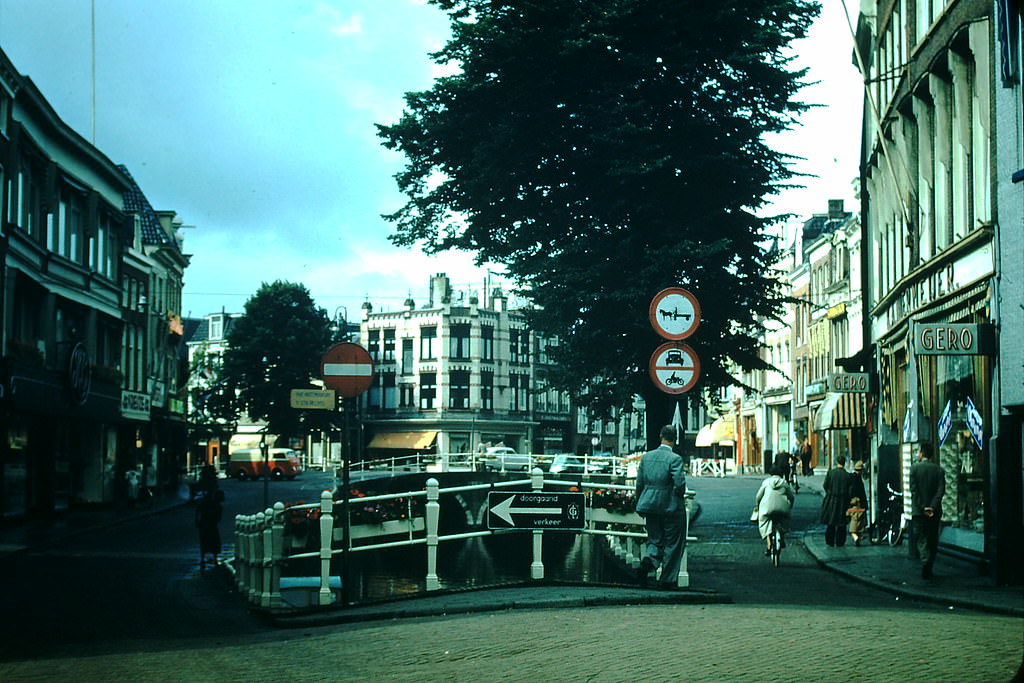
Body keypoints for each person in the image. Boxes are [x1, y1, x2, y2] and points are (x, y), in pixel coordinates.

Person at [635, 425, 687, 590]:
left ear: (660, 436)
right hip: (670, 507)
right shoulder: (675, 459)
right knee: (673, 542)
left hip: (649, 505)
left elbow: (639, 483)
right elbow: (679, 484)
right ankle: (667, 580)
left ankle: (648, 561)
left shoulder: (647, 457)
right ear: (674, 439)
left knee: (655, 539)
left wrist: (640, 502)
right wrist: (677, 496)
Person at [910, 443, 944, 579]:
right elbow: (940, 490)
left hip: (919, 512)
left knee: (921, 538)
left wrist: (923, 507)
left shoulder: (914, 469)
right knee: (932, 538)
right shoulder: (938, 470)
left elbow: (914, 491)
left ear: (922, 453)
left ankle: (925, 562)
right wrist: (932, 506)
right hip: (934, 512)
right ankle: (929, 565)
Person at [755, 465, 795, 555]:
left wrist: (757, 505)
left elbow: (758, 496)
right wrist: (790, 506)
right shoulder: (784, 482)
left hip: (767, 508)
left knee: (764, 521)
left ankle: (769, 545)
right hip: (782, 507)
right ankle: (782, 538)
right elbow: (791, 497)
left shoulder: (766, 482)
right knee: (784, 520)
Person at [819, 455, 852, 547]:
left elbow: (825, 485)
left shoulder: (831, 473)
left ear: (837, 462)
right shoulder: (847, 475)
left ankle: (830, 540)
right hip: (843, 500)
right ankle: (840, 541)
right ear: (844, 463)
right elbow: (850, 490)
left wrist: (830, 492)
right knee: (841, 522)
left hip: (832, 499)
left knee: (831, 520)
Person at [196, 488, 224, 571]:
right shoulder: (217, 506)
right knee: (214, 541)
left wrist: (197, 520)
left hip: (204, 524)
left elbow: (198, 510)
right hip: (211, 525)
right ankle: (214, 558)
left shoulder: (205, 503)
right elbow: (218, 518)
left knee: (204, 541)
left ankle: (203, 558)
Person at [848, 461, 868, 545]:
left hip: (852, 503)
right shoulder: (857, 479)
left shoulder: (851, 477)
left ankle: (857, 536)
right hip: (857, 503)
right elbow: (860, 492)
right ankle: (856, 536)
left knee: (855, 519)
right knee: (857, 519)